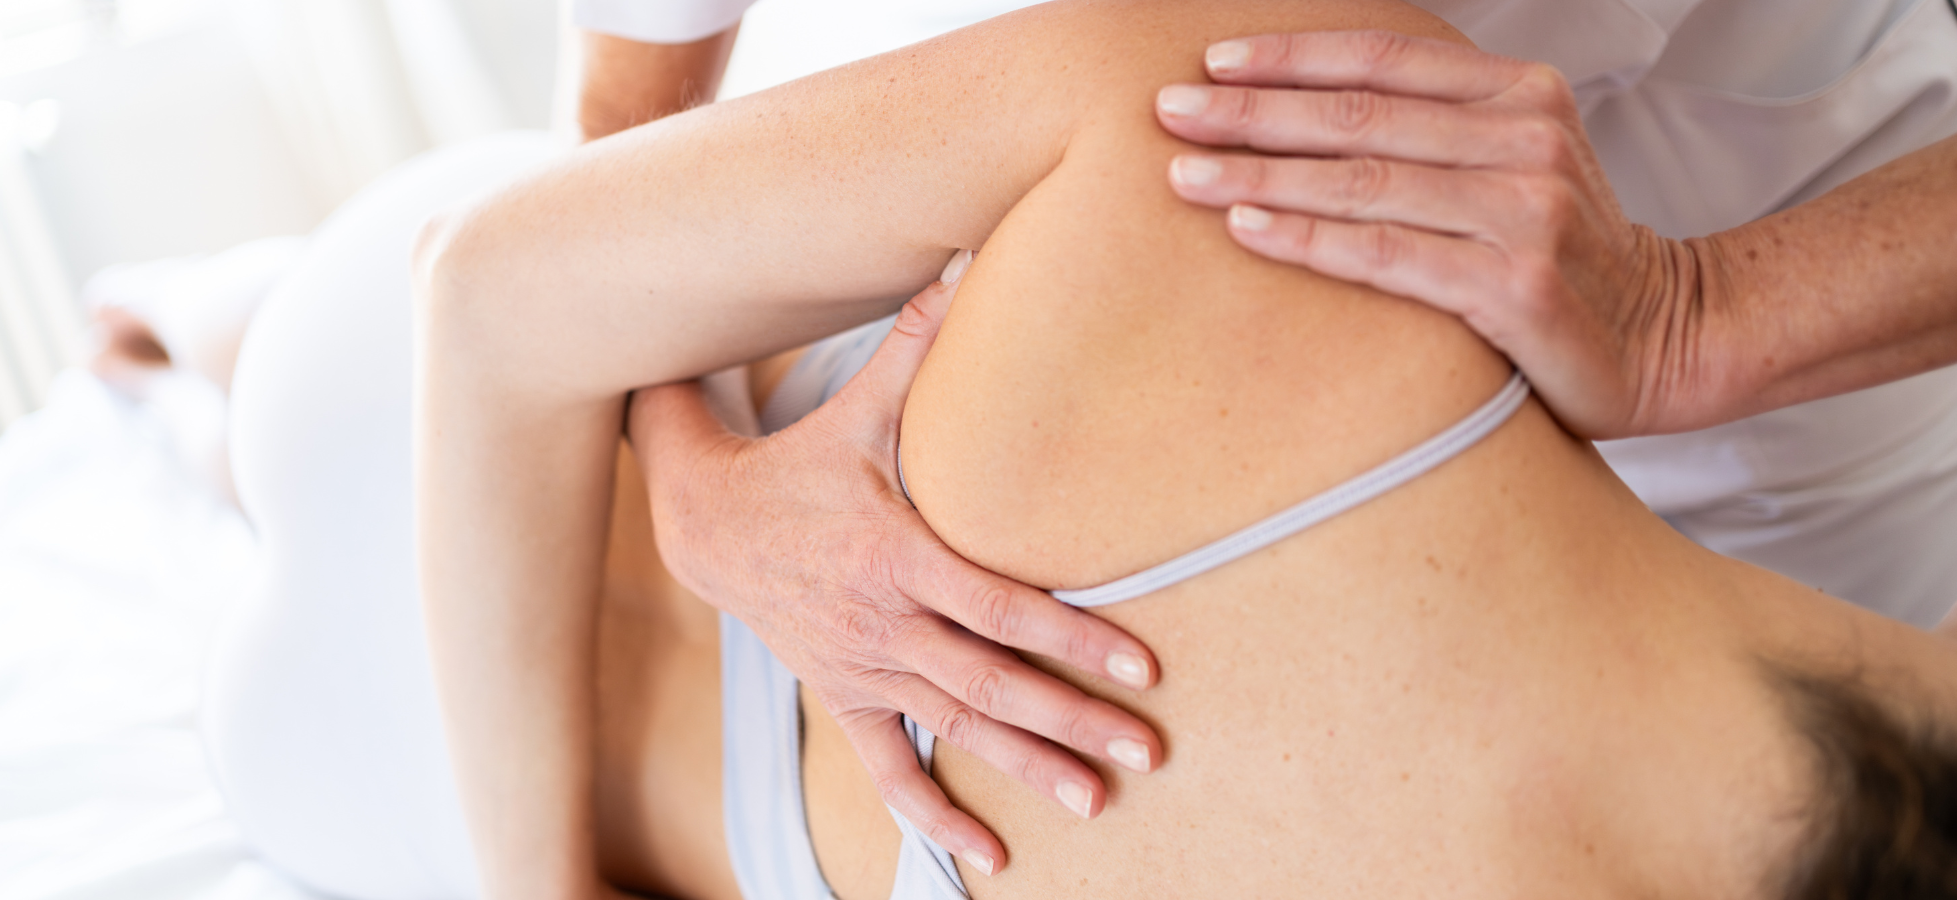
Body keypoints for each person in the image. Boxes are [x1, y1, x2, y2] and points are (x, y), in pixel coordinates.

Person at [410, 2, 1957, 899]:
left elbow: (514, 285)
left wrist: (1710, 314)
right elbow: (597, 146)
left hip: (1745, 349)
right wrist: (692, 472)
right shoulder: (1209, 127)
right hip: (577, 409)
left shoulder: (1241, 122)